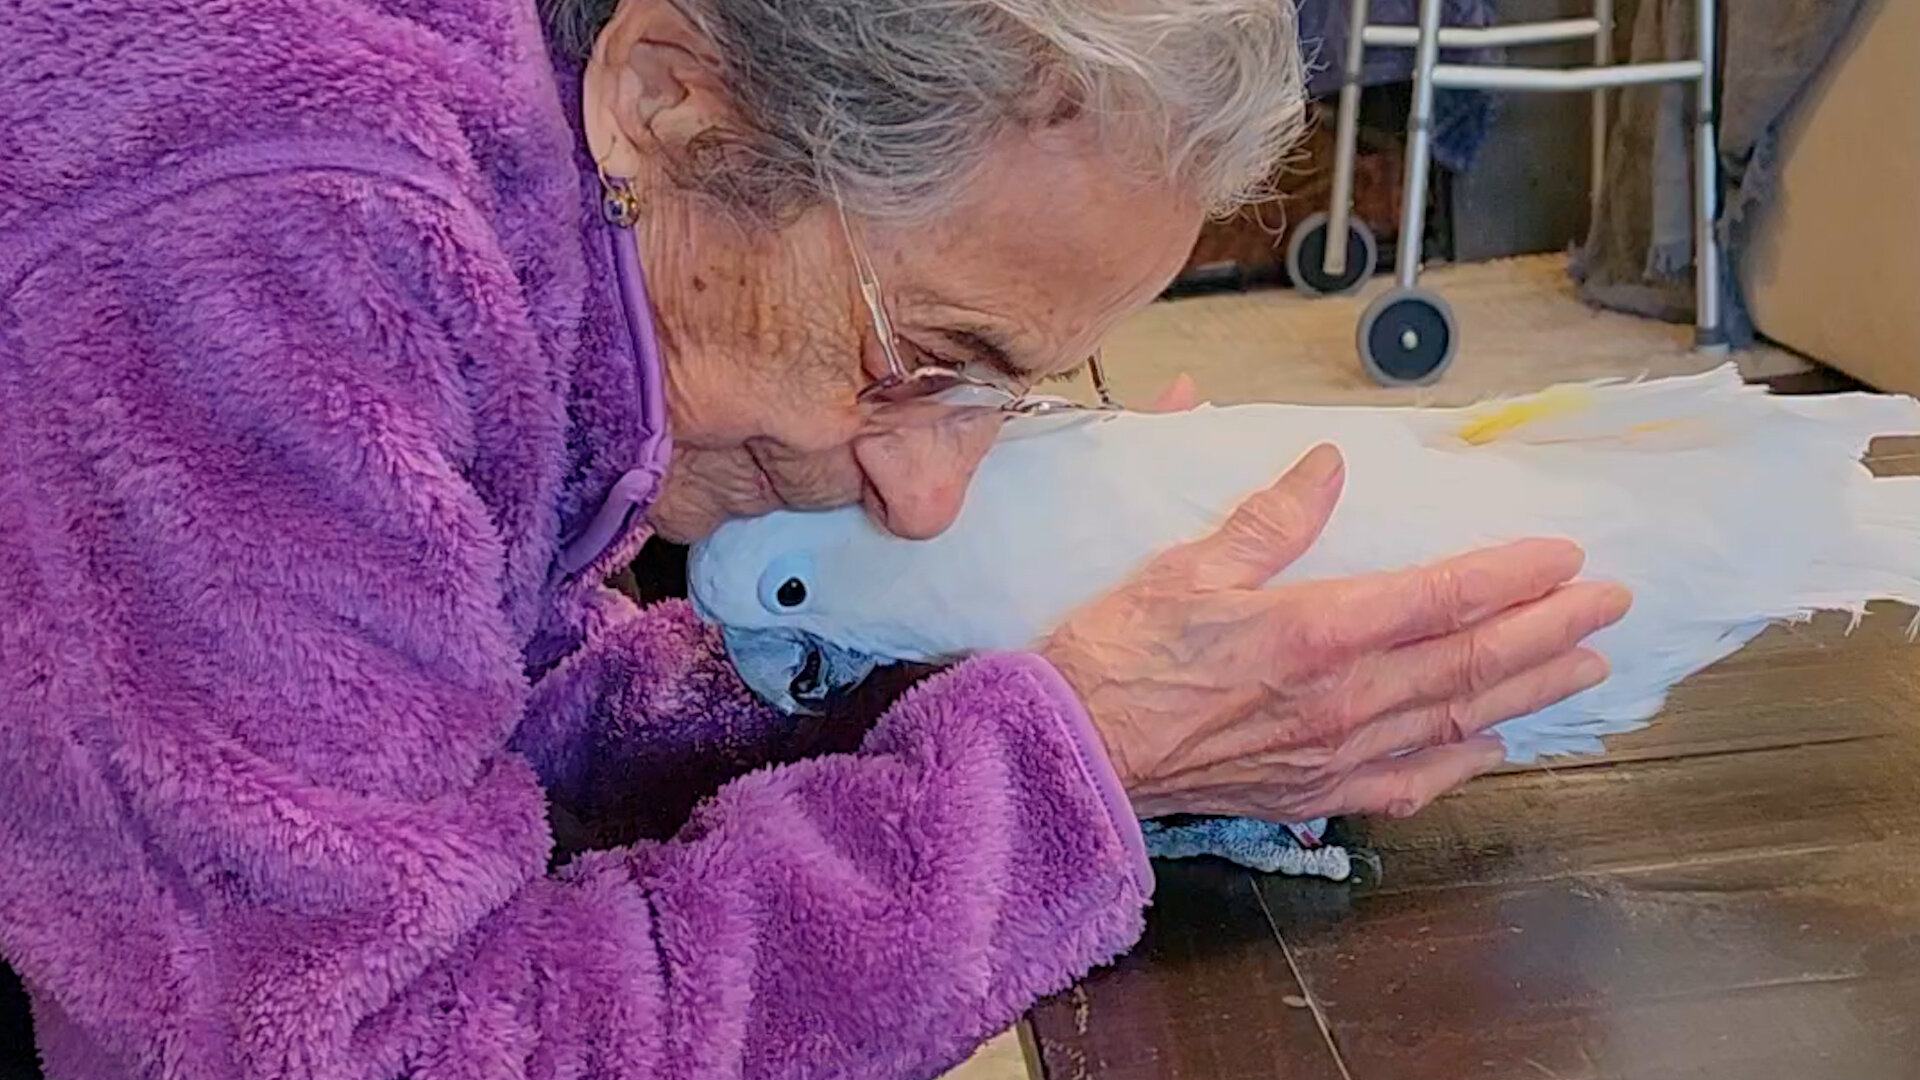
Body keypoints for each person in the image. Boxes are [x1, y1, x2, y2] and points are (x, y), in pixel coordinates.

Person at [0, 0, 1632, 1076]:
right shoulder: (274, 250)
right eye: (923, 359)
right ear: (672, 104)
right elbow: (361, 1046)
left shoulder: (514, 177)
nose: (929, 493)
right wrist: (1061, 781)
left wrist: (933, 672)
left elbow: (447, 713)